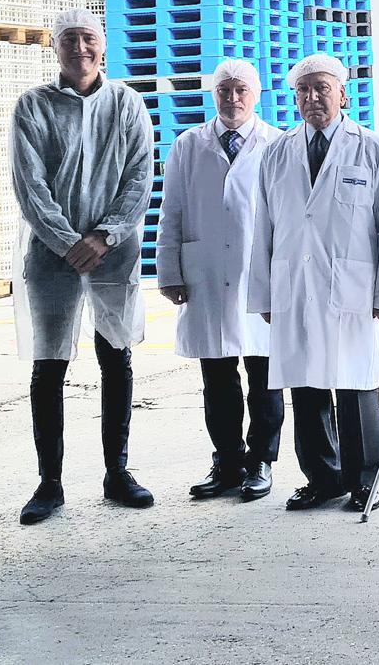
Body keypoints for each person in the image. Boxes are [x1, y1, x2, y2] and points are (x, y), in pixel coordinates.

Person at [11, 8, 156, 524]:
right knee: (49, 365)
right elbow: (30, 186)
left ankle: (117, 472)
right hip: (54, 257)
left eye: (88, 39)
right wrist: (70, 242)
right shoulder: (33, 106)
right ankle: (50, 483)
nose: (80, 48)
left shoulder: (127, 104)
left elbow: (140, 176)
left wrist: (106, 234)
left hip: (114, 253)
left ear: (103, 47)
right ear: (55, 49)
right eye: (69, 40)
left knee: (115, 357)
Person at [248, 54, 379, 514]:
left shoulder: (374, 149)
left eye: (321, 88)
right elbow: (264, 227)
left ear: (343, 94)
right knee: (306, 382)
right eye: (303, 90)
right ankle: (323, 479)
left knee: (355, 384)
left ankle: (363, 481)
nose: (312, 98)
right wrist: (263, 292)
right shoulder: (277, 152)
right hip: (294, 282)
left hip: (352, 284)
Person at [157, 59, 285, 502]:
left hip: (259, 274)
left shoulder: (277, 145)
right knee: (217, 376)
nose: (233, 99)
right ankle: (227, 461)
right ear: (213, 95)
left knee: (264, 373)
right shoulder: (189, 145)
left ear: (257, 94)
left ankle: (261, 461)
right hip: (206, 272)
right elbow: (171, 211)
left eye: (241, 91)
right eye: (224, 91)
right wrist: (170, 271)